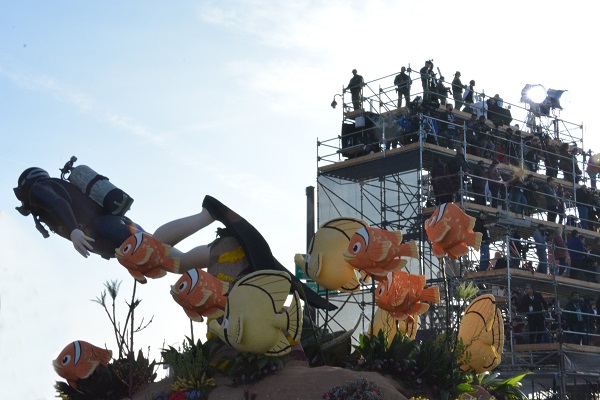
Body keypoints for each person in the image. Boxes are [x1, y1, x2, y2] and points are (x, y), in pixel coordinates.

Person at [13, 167, 335, 310]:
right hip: (112, 228)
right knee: (172, 262)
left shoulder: (40, 190)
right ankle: (210, 237)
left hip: (105, 227)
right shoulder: (52, 185)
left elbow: (59, 205)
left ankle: (206, 215)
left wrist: (71, 230)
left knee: (154, 250)